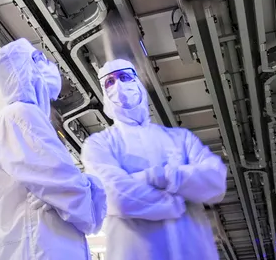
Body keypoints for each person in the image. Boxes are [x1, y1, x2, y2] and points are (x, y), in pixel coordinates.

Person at [82, 58, 228, 259]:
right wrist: (178, 199)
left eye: (124, 77)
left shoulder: (180, 138)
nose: (118, 86)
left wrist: (159, 177)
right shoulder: (98, 144)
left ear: (138, 83)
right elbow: (117, 196)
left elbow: (215, 181)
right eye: (109, 82)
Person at [0, 38, 107, 260]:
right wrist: (95, 187)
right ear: (26, 68)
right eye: (38, 60)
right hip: (39, 248)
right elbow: (65, 185)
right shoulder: (20, 115)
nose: (48, 66)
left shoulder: (26, 118)